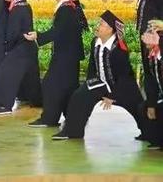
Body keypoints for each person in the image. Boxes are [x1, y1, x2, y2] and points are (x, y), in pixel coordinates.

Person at [52, 11, 144, 140]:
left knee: (139, 107)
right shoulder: (95, 42)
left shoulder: (119, 48)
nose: (97, 26)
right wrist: (88, 85)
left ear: (110, 29)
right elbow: (92, 67)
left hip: (122, 86)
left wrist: (113, 96)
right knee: (79, 96)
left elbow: (124, 76)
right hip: (101, 82)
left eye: (101, 24)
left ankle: (149, 134)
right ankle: (72, 132)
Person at [118, 0, 163, 141]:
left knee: (156, 76)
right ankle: (151, 129)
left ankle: (156, 128)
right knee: (149, 76)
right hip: (146, 37)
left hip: (157, 40)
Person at [24, 0, 85, 127]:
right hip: (70, 56)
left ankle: (49, 119)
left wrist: (38, 36)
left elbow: (57, 32)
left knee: (50, 85)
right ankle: (73, 118)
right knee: (68, 87)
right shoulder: (68, 7)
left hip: (65, 56)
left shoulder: (65, 9)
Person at [0, 0, 37, 115]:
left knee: (4, 71)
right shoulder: (22, 5)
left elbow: (13, 34)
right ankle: (34, 100)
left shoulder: (18, 9)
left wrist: (7, 50)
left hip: (22, 49)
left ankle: (4, 105)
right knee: (30, 78)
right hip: (27, 48)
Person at [142, 19, 163, 149]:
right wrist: (151, 104)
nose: (144, 38)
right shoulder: (150, 54)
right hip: (160, 95)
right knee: (144, 108)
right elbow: (150, 81)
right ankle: (157, 140)